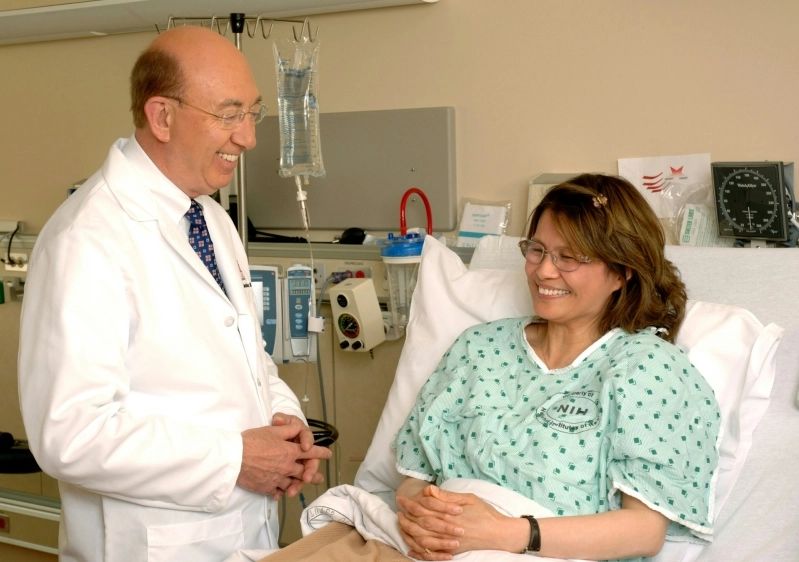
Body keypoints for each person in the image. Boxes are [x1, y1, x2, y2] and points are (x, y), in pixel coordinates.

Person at [17, 26, 331, 562]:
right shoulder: (86, 238)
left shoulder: (209, 218)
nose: (248, 138)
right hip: (149, 545)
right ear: (162, 116)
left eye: (252, 113)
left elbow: (249, 360)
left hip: (240, 531)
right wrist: (234, 458)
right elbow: (69, 434)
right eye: (229, 115)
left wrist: (286, 424)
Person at [393, 174, 721, 562]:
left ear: (622, 272)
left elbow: (644, 531)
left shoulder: (648, 368)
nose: (544, 271)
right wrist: (428, 521)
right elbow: (413, 478)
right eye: (537, 250)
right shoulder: (478, 347)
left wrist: (507, 533)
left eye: (570, 257)